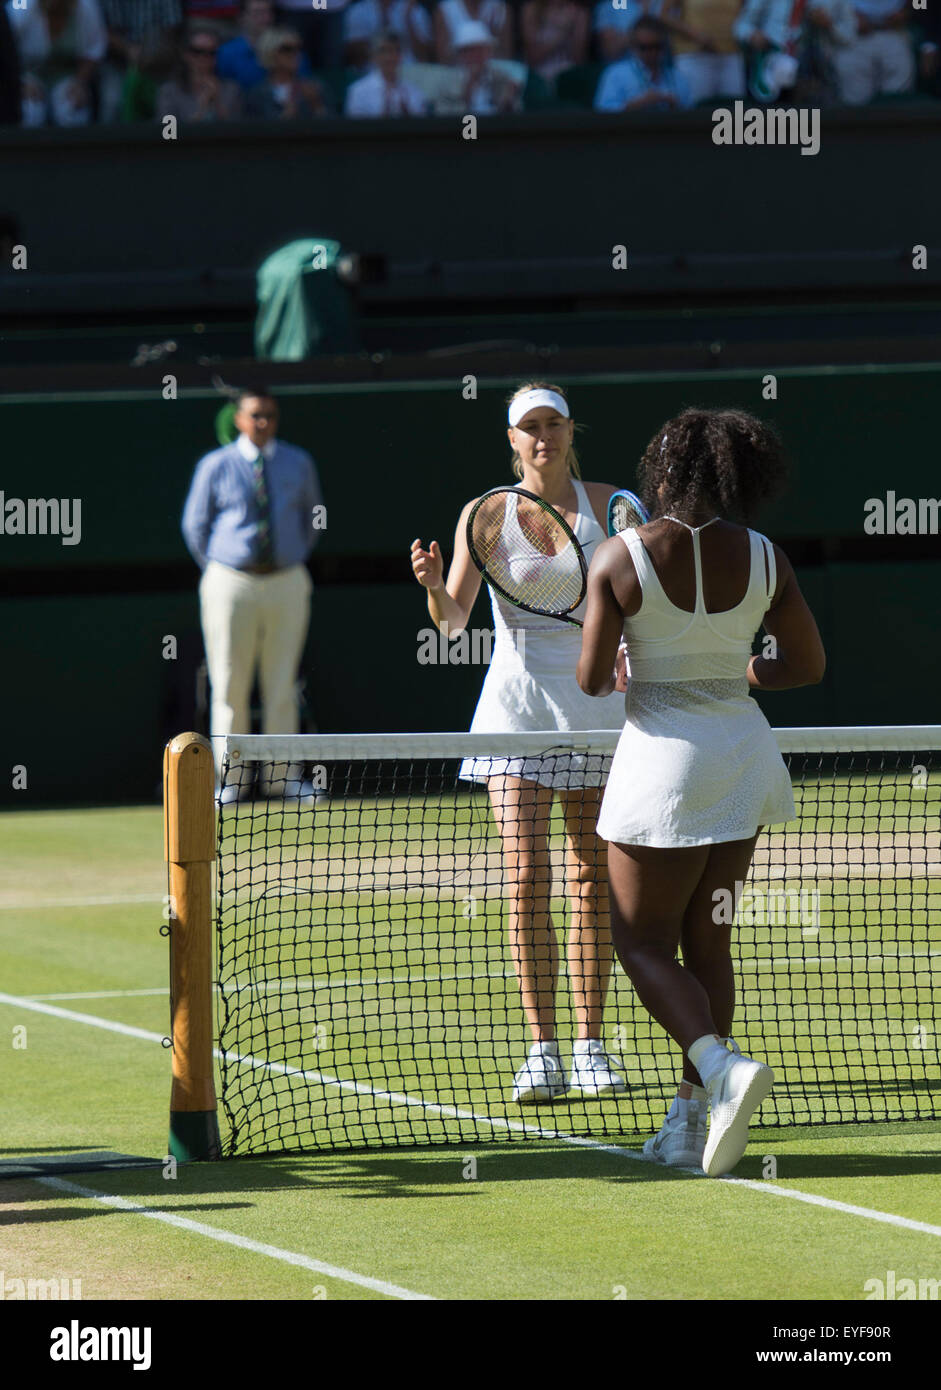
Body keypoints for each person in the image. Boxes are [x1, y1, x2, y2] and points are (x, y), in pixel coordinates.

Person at [576, 407, 825, 1176]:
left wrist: (623, 654)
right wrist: (739, 671)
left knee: (640, 944)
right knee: (706, 942)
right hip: (743, 760)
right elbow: (804, 666)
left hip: (664, 767)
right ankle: (687, 1124)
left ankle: (719, 1067)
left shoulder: (619, 557)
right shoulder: (764, 556)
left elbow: (589, 682)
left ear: (661, 474)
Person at [410, 383, 628, 1105]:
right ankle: (542, 1051)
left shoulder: (618, 508)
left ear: (571, 430)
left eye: (553, 424)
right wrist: (435, 589)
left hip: (599, 713)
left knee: (591, 879)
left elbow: (646, 600)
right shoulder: (487, 513)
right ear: (510, 438)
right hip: (515, 711)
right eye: (529, 427)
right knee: (525, 877)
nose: (543, 437)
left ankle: (591, 1046)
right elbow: (451, 624)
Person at [181, 388, 325, 802]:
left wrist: (289, 559)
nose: (263, 423)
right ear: (239, 420)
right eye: (255, 415)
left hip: (287, 579)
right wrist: (223, 566)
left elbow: (313, 518)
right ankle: (231, 781)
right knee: (228, 683)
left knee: (282, 684)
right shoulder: (214, 465)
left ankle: (283, 780)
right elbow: (196, 525)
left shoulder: (298, 462)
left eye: (270, 416)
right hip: (230, 580)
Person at [8, 0, 108, 126]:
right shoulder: (21, 4)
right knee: (29, 111)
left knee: (73, 112)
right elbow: (6, 49)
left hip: (68, 74)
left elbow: (95, 48)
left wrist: (80, 83)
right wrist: (20, 83)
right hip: (28, 74)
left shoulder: (86, 5)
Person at [594, 14, 693, 109]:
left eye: (656, 46)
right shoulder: (616, 75)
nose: (652, 52)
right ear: (633, 46)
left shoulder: (677, 77)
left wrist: (676, 108)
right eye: (644, 47)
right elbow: (603, 113)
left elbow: (690, 114)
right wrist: (638, 104)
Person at [217, 0, 313, 90]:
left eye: (269, 12)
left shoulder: (290, 49)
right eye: (258, 13)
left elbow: (305, 82)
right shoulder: (226, 53)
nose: (265, 18)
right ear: (241, 18)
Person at [156, 22, 242, 117]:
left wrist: (217, 103)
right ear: (185, 54)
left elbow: (236, 130)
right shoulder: (169, 92)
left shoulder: (232, 90)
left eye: (211, 53)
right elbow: (168, 131)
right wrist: (202, 108)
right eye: (197, 52)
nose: (203, 58)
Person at [243, 26, 327, 115]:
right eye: (287, 49)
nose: (295, 54)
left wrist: (316, 105)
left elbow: (332, 124)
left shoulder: (316, 87)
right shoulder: (257, 95)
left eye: (298, 48)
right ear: (270, 52)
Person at [345, 30, 427, 113]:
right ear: (373, 55)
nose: (389, 57)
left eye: (395, 50)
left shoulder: (414, 91)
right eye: (383, 50)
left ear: (401, 56)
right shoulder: (358, 92)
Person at [343, 0, 432, 69]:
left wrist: (408, 20)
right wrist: (383, 16)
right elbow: (355, 56)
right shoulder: (358, 10)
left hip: (410, 71)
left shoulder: (414, 9)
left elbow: (423, 56)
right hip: (370, 72)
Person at [520, 0, 589, 87]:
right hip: (536, 78)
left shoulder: (579, 13)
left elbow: (579, 60)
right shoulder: (531, 9)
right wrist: (562, 32)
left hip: (569, 77)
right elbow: (532, 58)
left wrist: (574, 26)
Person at [434, 0, 510, 63]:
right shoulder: (444, 10)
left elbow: (506, 55)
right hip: (457, 72)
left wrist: (490, 37)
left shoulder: (500, 8)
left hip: (491, 72)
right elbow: (443, 58)